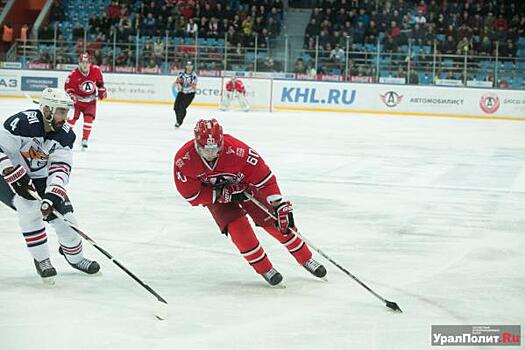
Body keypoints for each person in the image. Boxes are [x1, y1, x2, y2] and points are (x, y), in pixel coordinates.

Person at [173, 119, 326, 286]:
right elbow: (192, 196)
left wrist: (277, 204)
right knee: (238, 228)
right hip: (215, 196)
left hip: (245, 187)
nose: (211, 153)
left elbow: (265, 178)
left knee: (275, 221)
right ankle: (264, 268)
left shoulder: (238, 150)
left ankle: (306, 258)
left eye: (216, 148)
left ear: (222, 141)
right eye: (205, 149)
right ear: (196, 143)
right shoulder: (184, 160)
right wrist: (221, 194)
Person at [0, 88, 100, 283]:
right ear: (47, 110)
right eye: (62, 111)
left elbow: (61, 166)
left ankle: (75, 258)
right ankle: (42, 260)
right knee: (29, 210)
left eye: (66, 111)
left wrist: (54, 192)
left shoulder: (65, 134)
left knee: (66, 219)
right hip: (5, 175)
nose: (66, 116)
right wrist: (9, 171)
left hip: (40, 178)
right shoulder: (21, 123)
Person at [64, 53, 107, 150]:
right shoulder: (73, 75)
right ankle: (64, 137)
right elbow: (68, 88)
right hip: (77, 102)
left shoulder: (96, 70)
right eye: (83, 62)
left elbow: (100, 83)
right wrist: (71, 95)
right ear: (79, 63)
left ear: (90, 63)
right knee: (71, 120)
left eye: (87, 62)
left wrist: (101, 90)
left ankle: (85, 139)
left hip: (90, 101)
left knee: (88, 120)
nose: (85, 65)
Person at [172, 60, 197, 128]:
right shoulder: (181, 73)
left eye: (190, 66)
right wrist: (179, 87)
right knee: (176, 107)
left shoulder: (194, 76)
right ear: (185, 66)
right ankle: (178, 120)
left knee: (182, 107)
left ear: (192, 67)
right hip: (181, 93)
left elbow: (194, 86)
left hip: (190, 94)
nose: (189, 67)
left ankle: (179, 122)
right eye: (188, 65)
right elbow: (177, 82)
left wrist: (184, 89)